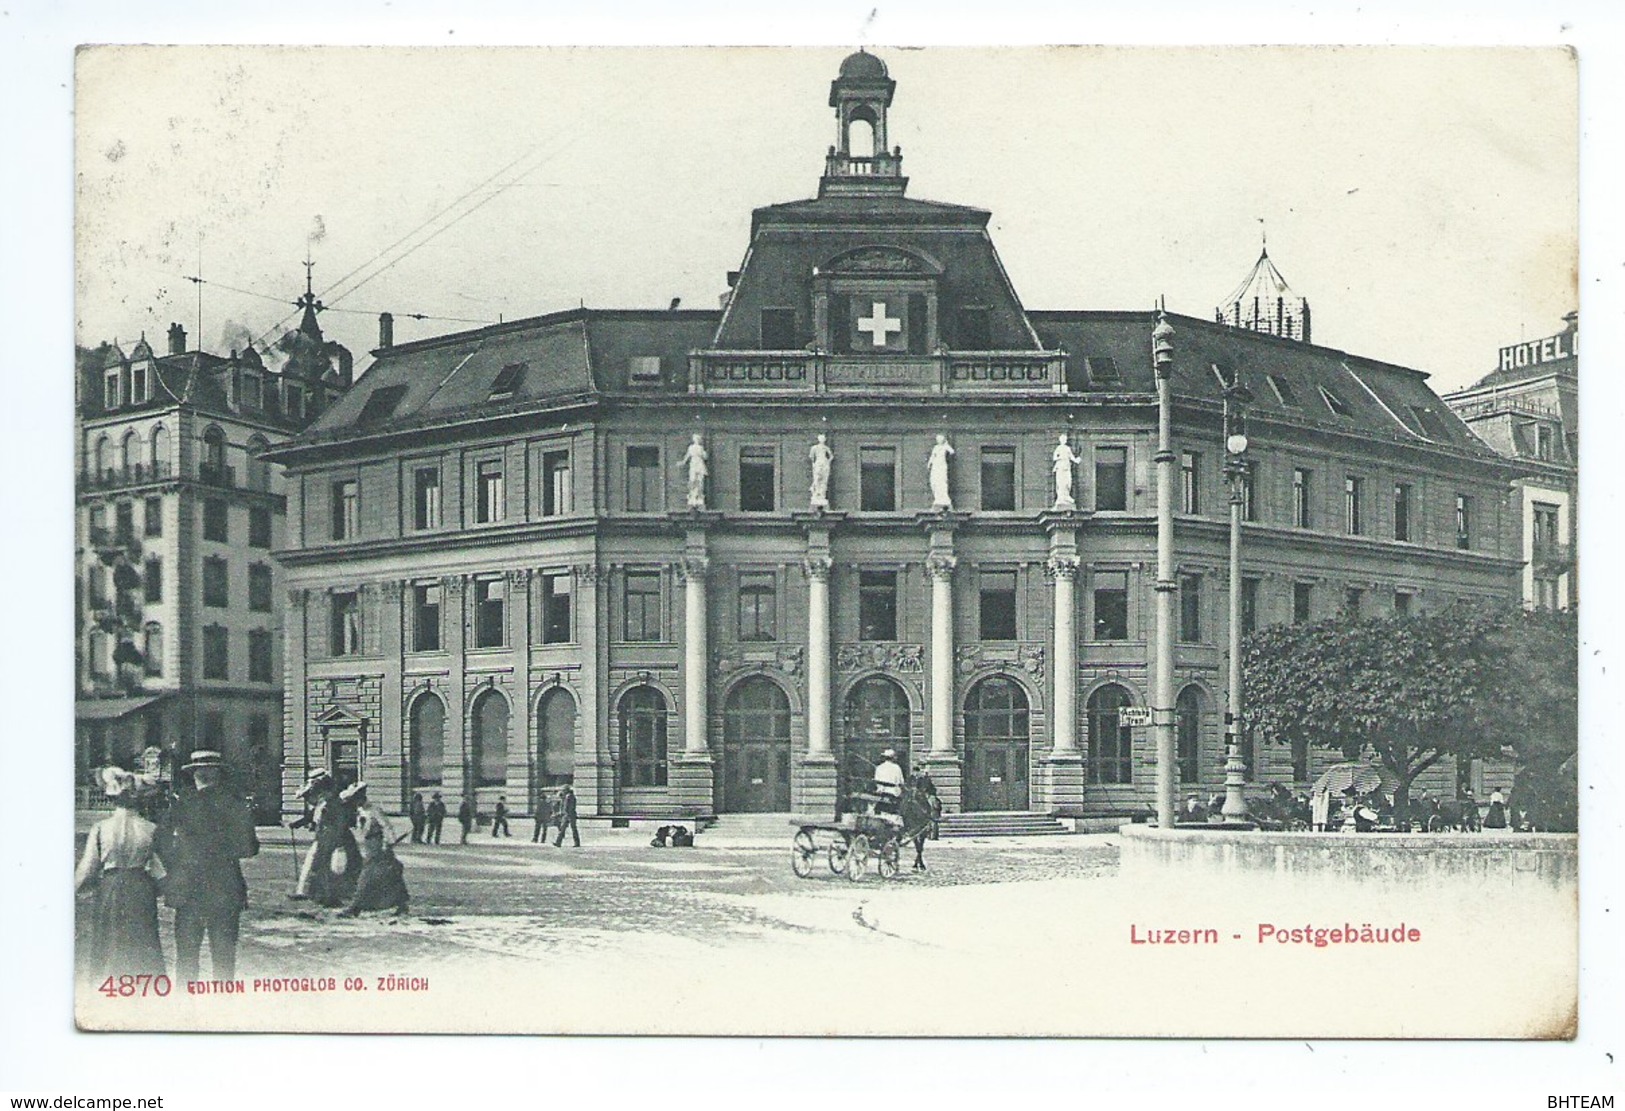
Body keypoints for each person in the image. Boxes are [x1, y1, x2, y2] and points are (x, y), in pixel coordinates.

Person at [155, 749, 259, 982]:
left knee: (186, 957)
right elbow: (250, 848)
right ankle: (221, 1009)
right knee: (224, 958)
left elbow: (159, 841)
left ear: (193, 774)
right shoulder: (235, 804)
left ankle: (185, 1008)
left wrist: (177, 863)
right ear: (219, 773)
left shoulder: (181, 804)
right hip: (225, 887)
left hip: (187, 887)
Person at [76, 767, 167, 981]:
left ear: (112, 799)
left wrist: (74, 890)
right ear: (140, 801)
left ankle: (108, 986)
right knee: (142, 941)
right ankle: (143, 988)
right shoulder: (151, 828)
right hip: (140, 887)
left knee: (109, 940)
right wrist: (162, 889)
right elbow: (158, 868)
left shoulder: (100, 828)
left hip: (110, 886)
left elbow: (88, 866)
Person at [337, 783, 409, 917]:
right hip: (369, 846)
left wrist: (389, 842)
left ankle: (355, 907)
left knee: (365, 876)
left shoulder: (374, 810)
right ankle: (401, 904)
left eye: (355, 799)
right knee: (391, 874)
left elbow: (386, 826)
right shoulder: (360, 811)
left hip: (378, 846)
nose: (353, 803)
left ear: (361, 797)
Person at [290, 769, 360, 907]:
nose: (308, 799)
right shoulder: (324, 803)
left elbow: (339, 823)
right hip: (323, 838)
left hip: (333, 839)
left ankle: (328, 895)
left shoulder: (332, 804)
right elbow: (311, 816)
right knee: (316, 865)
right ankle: (309, 892)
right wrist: (298, 823)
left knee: (328, 866)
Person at [1051, 432, 1083, 510]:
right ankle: (1061, 498)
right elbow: (1054, 457)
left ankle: (1066, 496)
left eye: (1065, 439)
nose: (1064, 440)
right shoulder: (1059, 448)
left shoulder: (1067, 448)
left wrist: (1076, 460)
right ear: (1060, 440)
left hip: (1067, 466)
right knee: (1061, 482)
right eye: (1062, 439)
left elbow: (1071, 457)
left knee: (1068, 482)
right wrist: (1061, 457)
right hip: (1061, 466)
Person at [873, 748, 905, 820]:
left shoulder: (879, 768)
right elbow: (901, 782)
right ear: (893, 758)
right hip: (893, 794)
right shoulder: (897, 768)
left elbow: (876, 782)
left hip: (881, 795)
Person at [927, 434, 955, 509]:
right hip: (936, 465)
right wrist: (929, 463)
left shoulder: (945, 446)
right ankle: (938, 498)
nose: (939, 441)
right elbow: (933, 456)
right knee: (934, 481)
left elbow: (952, 451)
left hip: (942, 465)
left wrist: (947, 445)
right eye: (938, 440)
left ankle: (943, 498)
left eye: (940, 439)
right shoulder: (936, 447)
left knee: (942, 481)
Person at [682, 433, 708, 509]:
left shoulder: (701, 448)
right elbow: (687, 456)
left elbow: (705, 457)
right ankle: (693, 496)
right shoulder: (691, 447)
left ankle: (699, 496)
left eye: (698, 439)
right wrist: (683, 462)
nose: (696, 440)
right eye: (696, 439)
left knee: (700, 480)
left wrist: (703, 453)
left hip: (699, 463)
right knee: (692, 480)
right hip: (694, 463)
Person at [808, 433, 833, 510]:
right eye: (821, 439)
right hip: (818, 463)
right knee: (817, 478)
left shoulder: (826, 448)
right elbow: (811, 456)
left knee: (824, 479)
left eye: (823, 439)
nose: (822, 440)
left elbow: (831, 456)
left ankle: (821, 494)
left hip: (824, 463)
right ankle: (815, 491)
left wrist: (828, 462)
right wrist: (813, 464)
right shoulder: (814, 447)